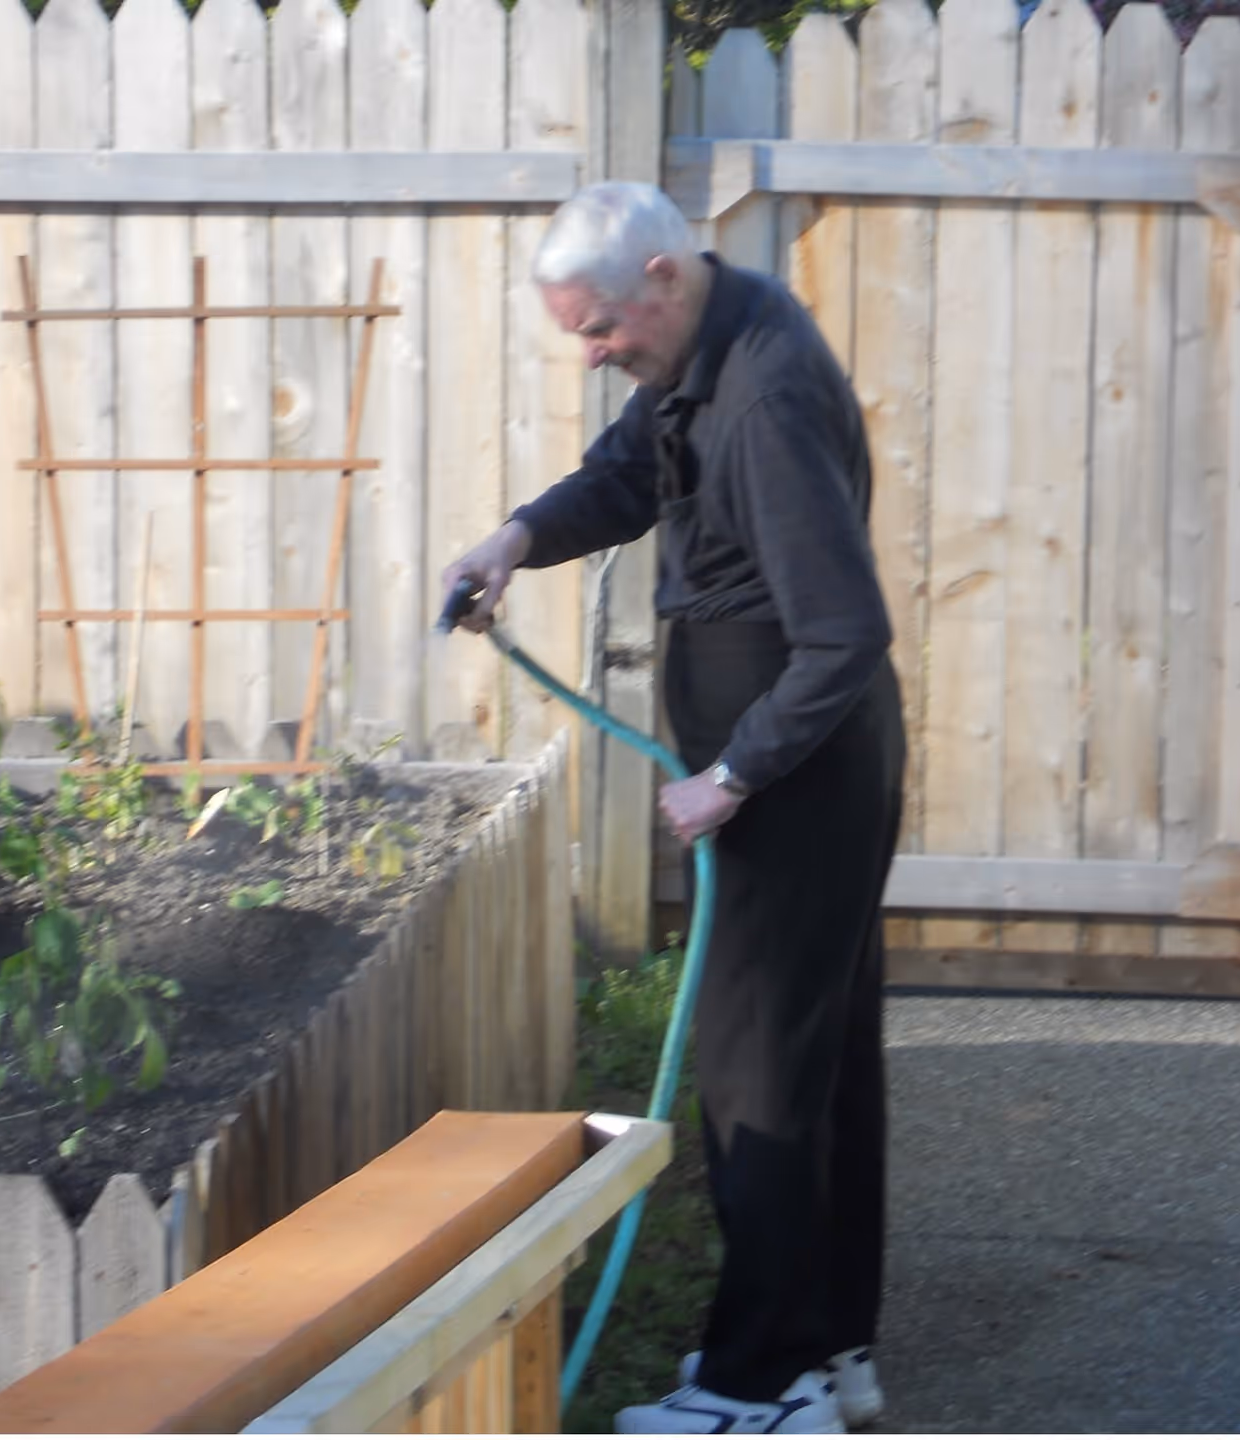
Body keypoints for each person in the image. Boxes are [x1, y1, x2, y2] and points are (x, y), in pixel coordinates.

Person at [442, 180, 906, 1435]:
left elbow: (844, 633)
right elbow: (633, 471)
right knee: (818, 1063)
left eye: (599, 331)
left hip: (798, 774)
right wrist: (517, 539)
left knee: (756, 1077)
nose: (596, 359)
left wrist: (731, 776)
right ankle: (834, 1348)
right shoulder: (707, 340)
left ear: (661, 275)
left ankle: (757, 1386)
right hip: (810, 763)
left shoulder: (758, 400)